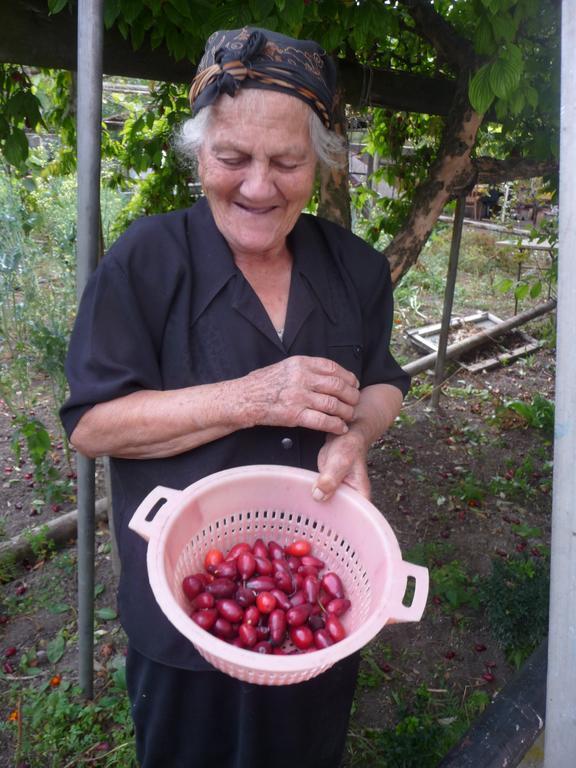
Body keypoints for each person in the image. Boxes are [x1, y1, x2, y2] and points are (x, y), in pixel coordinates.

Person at [60, 27, 410, 768]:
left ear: (318, 162)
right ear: (197, 154)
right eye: (231, 159)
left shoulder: (355, 269)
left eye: (286, 162)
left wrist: (358, 435)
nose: (258, 187)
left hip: (314, 604)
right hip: (181, 616)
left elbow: (382, 382)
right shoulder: (147, 262)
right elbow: (93, 425)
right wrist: (251, 397)